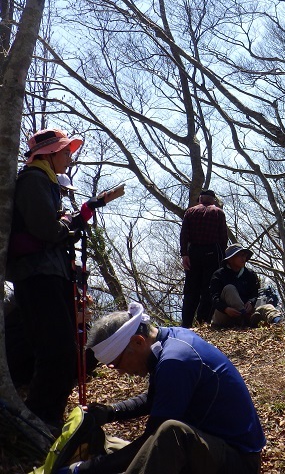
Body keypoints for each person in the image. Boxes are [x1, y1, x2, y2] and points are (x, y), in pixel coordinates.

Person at [66, 302, 265, 473]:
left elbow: (154, 440)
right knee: (114, 446)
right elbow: (155, 398)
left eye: (117, 364)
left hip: (239, 462)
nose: (119, 372)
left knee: (170, 433)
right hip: (214, 447)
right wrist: (111, 412)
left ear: (138, 341)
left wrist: (85, 469)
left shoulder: (175, 360)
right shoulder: (169, 341)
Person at [6, 128, 88, 429]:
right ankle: (41, 418)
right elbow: (46, 230)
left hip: (49, 272)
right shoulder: (34, 180)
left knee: (62, 351)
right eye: (66, 151)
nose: (70, 156)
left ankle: (46, 416)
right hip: (38, 275)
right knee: (58, 352)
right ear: (49, 154)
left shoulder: (45, 181)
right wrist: (66, 224)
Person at [179, 189, 228, 327]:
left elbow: (184, 235)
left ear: (200, 199)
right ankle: (203, 321)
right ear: (213, 200)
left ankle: (186, 323)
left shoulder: (190, 212)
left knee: (191, 289)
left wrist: (184, 254)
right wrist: (223, 256)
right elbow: (223, 236)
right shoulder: (218, 212)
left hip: (193, 252)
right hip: (213, 252)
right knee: (209, 288)